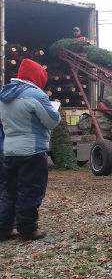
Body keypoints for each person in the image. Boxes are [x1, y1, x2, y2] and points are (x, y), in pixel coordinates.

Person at [0, 59, 61, 241]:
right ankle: (27, 229)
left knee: (8, 189)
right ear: (37, 77)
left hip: (9, 150)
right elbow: (52, 120)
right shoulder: (36, 95)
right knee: (30, 189)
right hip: (32, 151)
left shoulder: (4, 94)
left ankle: (4, 228)